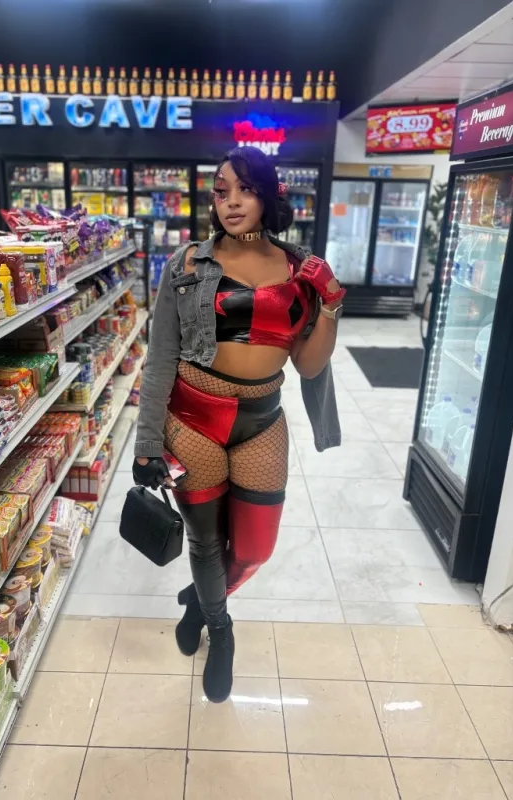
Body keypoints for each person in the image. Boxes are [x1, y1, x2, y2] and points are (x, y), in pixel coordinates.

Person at [132, 146, 343, 703]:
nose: (231, 202)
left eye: (245, 189)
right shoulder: (185, 265)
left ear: (268, 195)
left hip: (261, 421)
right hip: (193, 417)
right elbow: (160, 359)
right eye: (222, 191)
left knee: (254, 549)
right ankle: (220, 630)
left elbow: (309, 366)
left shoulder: (300, 269)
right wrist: (147, 442)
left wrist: (330, 305)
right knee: (206, 542)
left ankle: (199, 602)